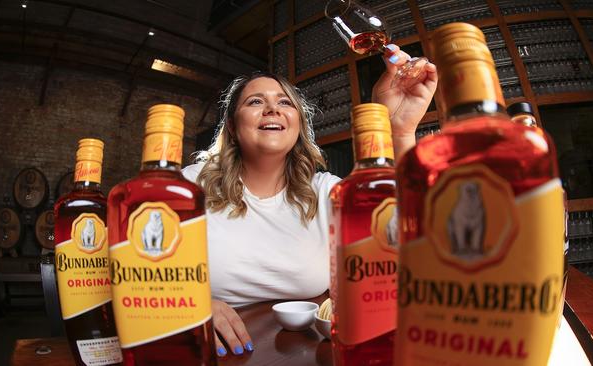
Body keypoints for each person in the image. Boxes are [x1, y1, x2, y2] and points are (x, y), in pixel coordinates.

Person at [182, 44, 437, 357]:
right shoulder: (192, 184)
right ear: (233, 127)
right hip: (214, 351)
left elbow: (410, 235)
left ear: (298, 124)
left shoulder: (327, 191)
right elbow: (123, 265)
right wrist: (187, 302)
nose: (272, 109)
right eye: (255, 101)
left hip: (306, 352)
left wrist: (399, 131)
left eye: (285, 102)